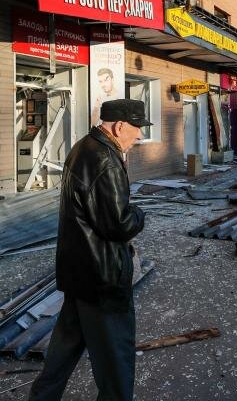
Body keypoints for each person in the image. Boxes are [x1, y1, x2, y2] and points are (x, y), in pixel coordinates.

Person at [29, 99, 149, 401]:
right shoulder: (106, 159)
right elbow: (118, 224)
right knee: (116, 361)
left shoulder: (82, 147)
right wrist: (139, 215)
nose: (139, 137)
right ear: (120, 126)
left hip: (78, 271)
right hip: (102, 276)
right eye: (137, 130)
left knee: (65, 348)